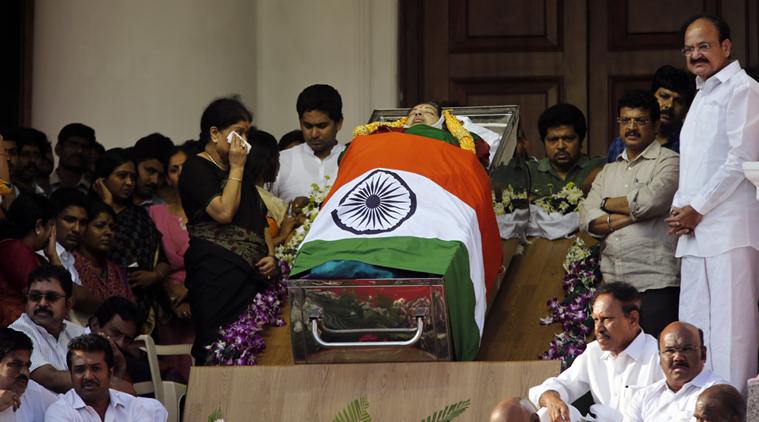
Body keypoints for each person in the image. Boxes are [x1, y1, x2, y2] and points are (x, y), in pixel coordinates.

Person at [665, 14, 759, 390]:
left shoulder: (743, 88)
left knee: (731, 331)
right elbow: (697, 164)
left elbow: (742, 158)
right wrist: (680, 209)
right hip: (695, 232)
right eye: (689, 49)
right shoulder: (702, 93)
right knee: (694, 328)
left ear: (726, 46)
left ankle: (730, 409)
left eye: (704, 46)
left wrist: (697, 208)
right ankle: (698, 407)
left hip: (729, 231)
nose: (695, 55)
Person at [179, 97, 276, 364]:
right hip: (216, 277)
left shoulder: (240, 174)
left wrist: (271, 255)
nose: (244, 142)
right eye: (238, 133)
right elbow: (223, 212)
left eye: (247, 134)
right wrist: (236, 167)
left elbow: (259, 219)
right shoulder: (195, 167)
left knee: (252, 350)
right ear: (214, 133)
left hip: (249, 278)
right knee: (216, 349)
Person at [580, 90, 680, 339]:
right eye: (625, 121)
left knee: (656, 362)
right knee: (618, 363)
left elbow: (651, 201)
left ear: (656, 125)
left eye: (640, 121)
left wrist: (607, 205)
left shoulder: (669, 162)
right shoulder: (608, 171)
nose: (631, 127)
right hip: (614, 285)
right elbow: (587, 219)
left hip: (656, 284)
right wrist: (629, 214)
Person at [528, 282, 662, 422]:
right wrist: (552, 399)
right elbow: (562, 385)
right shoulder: (594, 352)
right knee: (546, 413)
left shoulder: (657, 356)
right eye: (596, 320)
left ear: (633, 319)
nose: (598, 329)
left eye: (606, 319)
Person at [91, 148, 170, 333]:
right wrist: (107, 204)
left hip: (141, 301)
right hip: (99, 297)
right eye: (121, 176)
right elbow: (99, 250)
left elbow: (164, 261)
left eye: (132, 177)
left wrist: (154, 276)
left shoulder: (140, 215)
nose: (129, 183)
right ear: (102, 179)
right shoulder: (89, 213)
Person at [45, 334, 167, 422]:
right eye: (80, 370)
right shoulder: (59, 412)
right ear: (71, 374)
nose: (88, 376)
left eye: (96, 368)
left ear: (110, 372)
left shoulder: (133, 406)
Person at [624, 321, 726, 422]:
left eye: (686, 349)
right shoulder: (644, 397)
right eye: (670, 351)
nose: (678, 357)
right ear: (660, 357)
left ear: (703, 354)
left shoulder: (719, 395)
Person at [271, 84, 346, 202]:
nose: (314, 134)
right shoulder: (282, 161)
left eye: (322, 126)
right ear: (300, 123)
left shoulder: (351, 160)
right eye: (308, 126)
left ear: (339, 123)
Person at [606, 65, 695, 162]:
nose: (669, 105)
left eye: (678, 101)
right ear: (652, 97)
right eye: (664, 96)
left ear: (687, 108)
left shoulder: (690, 143)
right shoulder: (621, 144)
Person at [0, 193, 60, 327]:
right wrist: (54, 257)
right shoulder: (15, 249)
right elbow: (47, 297)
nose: (53, 235)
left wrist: (53, 256)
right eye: (51, 226)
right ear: (39, 226)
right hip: (14, 329)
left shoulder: (34, 256)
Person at [72, 200, 134, 317]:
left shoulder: (117, 272)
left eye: (112, 228)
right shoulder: (70, 263)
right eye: (100, 226)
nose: (108, 232)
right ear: (83, 228)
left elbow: (131, 311)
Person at [528, 104, 605, 198]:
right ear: (543, 142)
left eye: (568, 139)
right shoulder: (529, 172)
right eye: (553, 139)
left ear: (580, 140)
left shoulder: (599, 167)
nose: (561, 146)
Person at [247, 128, 299, 248]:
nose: (279, 163)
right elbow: (252, 248)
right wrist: (282, 236)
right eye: (277, 157)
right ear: (268, 161)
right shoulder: (260, 199)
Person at [0, 328, 58, 421]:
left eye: (27, 365)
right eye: (16, 365)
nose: (25, 372)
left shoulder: (33, 391)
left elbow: (66, 408)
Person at [46, 188, 89, 287]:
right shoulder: (42, 256)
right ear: (52, 220)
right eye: (69, 220)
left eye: (82, 223)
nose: (77, 229)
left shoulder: (69, 257)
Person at [131, 133, 174, 207]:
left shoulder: (163, 209)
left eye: (161, 176)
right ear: (134, 164)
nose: (155, 181)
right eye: (150, 171)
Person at [51, 123, 95, 194]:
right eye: (73, 144)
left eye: (85, 147)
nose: (79, 151)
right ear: (58, 148)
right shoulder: (42, 187)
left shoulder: (95, 191)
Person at [8, 129, 47, 196]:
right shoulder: (3, 195)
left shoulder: (42, 194)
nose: (33, 160)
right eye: (25, 154)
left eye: (36, 155)